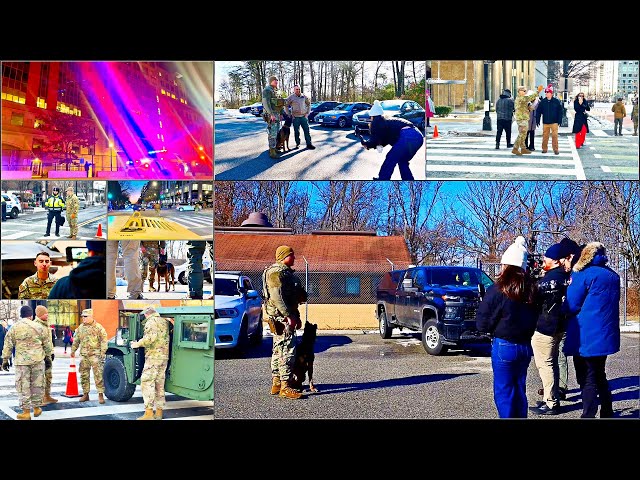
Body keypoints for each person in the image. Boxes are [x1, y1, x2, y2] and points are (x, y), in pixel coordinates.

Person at [475, 236, 538, 418]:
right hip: (525, 345)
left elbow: (482, 323)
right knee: (519, 388)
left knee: (504, 392)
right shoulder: (532, 289)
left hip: (504, 346)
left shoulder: (498, 289)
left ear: (505, 265)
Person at [563, 242, 620, 418]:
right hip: (605, 333)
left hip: (585, 335)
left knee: (586, 377)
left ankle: (588, 414)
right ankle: (607, 410)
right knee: (599, 373)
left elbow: (572, 304)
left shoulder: (582, 275)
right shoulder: (613, 275)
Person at [528, 242, 571, 416]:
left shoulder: (548, 281)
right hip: (560, 326)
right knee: (553, 363)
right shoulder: (564, 277)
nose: (543, 260)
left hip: (545, 328)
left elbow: (533, 300)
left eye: (546, 258)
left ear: (554, 261)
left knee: (545, 365)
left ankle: (551, 403)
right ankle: (551, 396)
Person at [263, 245, 308, 400]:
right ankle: (285, 387)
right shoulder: (276, 273)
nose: (294, 258)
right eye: (292, 255)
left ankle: (276, 383)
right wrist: (289, 315)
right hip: (282, 318)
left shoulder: (283, 273)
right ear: (284, 256)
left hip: (280, 317)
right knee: (287, 352)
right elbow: (277, 297)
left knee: (278, 350)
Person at [1, 305, 52, 420]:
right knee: (37, 385)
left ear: (21, 315)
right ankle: (37, 408)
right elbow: (47, 344)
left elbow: (8, 344)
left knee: (24, 386)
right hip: (38, 360)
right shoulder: (39, 327)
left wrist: (5, 360)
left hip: (22, 363)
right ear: (31, 315)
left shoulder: (14, 327)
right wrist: (48, 358)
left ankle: (26, 412)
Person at [362, 99, 423, 180]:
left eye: (371, 117)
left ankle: (383, 179)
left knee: (391, 157)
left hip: (409, 135)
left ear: (374, 117)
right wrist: (371, 145)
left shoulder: (381, 124)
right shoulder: (386, 122)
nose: (370, 119)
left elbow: (377, 139)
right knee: (402, 161)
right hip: (419, 137)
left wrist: (368, 144)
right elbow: (383, 140)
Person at [130, 305, 170, 420]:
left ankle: (148, 413)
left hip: (153, 357)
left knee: (146, 382)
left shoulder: (151, 322)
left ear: (147, 314)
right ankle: (159, 412)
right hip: (163, 357)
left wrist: (136, 344)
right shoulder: (164, 321)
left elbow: (149, 339)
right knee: (159, 384)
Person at [70, 308, 107, 404]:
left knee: (98, 375)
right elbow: (76, 340)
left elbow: (104, 340)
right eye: (82, 317)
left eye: (85, 316)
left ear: (91, 317)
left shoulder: (98, 327)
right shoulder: (80, 328)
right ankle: (85, 394)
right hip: (84, 355)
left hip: (95, 355)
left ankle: (100, 394)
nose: (83, 318)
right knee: (84, 375)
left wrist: (103, 352)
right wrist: (73, 350)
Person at [34, 305, 58, 406]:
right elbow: (36, 343)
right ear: (39, 315)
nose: (47, 314)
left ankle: (47, 395)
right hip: (40, 357)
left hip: (48, 356)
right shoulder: (35, 325)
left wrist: (51, 353)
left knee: (48, 376)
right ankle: (40, 399)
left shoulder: (46, 325)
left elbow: (49, 341)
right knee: (40, 378)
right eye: (45, 313)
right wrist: (43, 355)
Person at [513, 85, 544, 155]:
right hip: (521, 118)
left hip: (524, 118)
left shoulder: (523, 99)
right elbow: (529, 98)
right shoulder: (521, 98)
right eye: (523, 91)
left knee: (523, 134)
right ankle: (516, 148)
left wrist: (530, 108)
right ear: (519, 91)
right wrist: (538, 91)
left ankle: (523, 148)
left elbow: (527, 106)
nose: (524, 92)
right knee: (522, 134)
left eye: (525, 91)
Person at [535, 84, 564, 155]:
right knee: (545, 136)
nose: (546, 94)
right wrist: (537, 120)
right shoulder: (543, 102)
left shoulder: (556, 101)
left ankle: (556, 149)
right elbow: (538, 111)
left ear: (551, 93)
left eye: (548, 92)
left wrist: (560, 120)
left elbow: (560, 111)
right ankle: (544, 148)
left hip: (554, 122)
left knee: (555, 136)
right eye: (546, 92)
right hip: (546, 122)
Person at [286, 84, 315, 150]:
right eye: (296, 89)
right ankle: (297, 144)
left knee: (307, 131)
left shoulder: (304, 96)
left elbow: (309, 104)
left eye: (299, 89)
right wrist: (289, 114)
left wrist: (307, 113)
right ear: (294, 90)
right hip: (295, 117)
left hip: (303, 117)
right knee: (296, 132)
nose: (298, 90)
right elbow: (286, 105)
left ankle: (309, 144)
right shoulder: (291, 97)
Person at [262, 75, 283, 159]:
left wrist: (281, 113)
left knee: (276, 132)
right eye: (274, 80)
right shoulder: (267, 90)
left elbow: (280, 103)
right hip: (272, 115)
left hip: (277, 115)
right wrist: (271, 114)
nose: (276, 81)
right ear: (270, 81)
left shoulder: (277, 91)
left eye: (277, 80)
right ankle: (272, 151)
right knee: (272, 133)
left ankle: (274, 148)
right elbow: (266, 103)